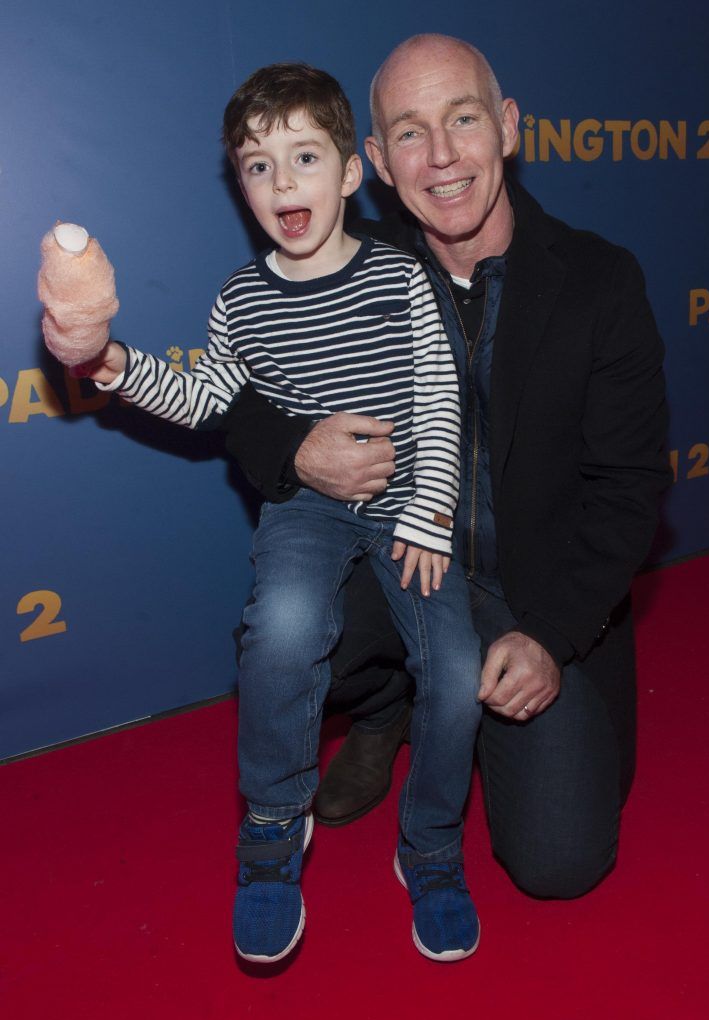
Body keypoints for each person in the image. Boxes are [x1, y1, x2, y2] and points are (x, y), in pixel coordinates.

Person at [224, 34, 670, 902]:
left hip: (531, 594)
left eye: (462, 120)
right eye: (410, 133)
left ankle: (474, 688)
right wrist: (293, 448)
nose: (441, 158)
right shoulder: (350, 268)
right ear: (378, 163)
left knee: (560, 865)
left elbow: (630, 488)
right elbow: (236, 388)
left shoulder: (599, 281)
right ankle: (387, 704)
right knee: (282, 624)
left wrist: (553, 636)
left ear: (505, 127)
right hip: (391, 559)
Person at [76, 63, 484, 964]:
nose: (283, 182)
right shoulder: (241, 300)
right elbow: (205, 400)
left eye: (304, 157)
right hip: (305, 506)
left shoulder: (399, 276)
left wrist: (427, 510)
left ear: (349, 173)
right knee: (282, 629)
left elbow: (439, 396)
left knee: (456, 670)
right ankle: (270, 832)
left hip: (409, 504)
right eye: (258, 166)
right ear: (240, 183)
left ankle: (433, 852)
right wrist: (110, 367)